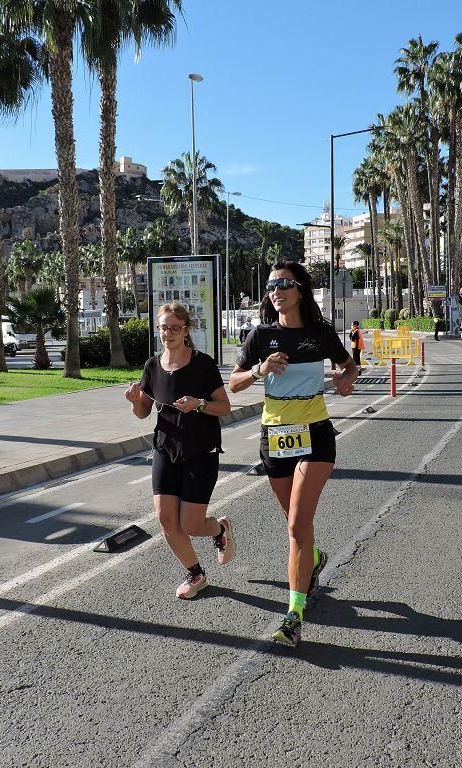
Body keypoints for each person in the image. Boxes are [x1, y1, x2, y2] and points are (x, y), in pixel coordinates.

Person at [230, 261, 358, 648]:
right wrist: (259, 371)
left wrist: (344, 381)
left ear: (300, 289)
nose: (276, 290)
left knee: (297, 525)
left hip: (315, 434)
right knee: (296, 526)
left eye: (284, 284)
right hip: (275, 436)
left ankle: (293, 615)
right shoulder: (260, 335)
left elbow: (349, 366)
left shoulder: (319, 333)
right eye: (271, 285)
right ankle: (314, 557)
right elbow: (233, 384)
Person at [125, 302, 234, 599]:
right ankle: (196, 574)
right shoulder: (152, 366)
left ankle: (220, 530)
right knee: (166, 520)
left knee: (191, 524)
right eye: (163, 327)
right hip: (165, 448)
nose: (168, 333)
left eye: (175, 328)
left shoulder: (203, 364)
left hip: (201, 450)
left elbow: (224, 406)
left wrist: (198, 404)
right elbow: (143, 412)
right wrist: (135, 400)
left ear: (186, 330)